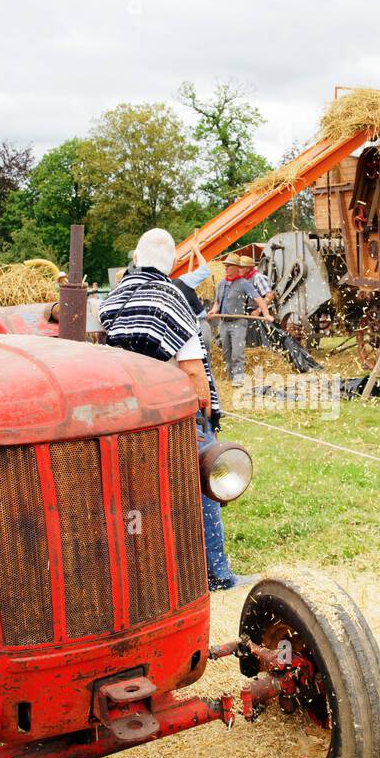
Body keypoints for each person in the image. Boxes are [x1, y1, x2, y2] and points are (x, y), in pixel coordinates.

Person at [98, 228, 250, 592]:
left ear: (136, 257)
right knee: (205, 484)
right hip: (169, 410)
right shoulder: (170, 296)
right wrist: (203, 418)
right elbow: (193, 367)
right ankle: (217, 574)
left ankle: (148, 570)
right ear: (170, 263)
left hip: (124, 411)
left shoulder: (113, 297)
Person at [209, 256, 269, 387]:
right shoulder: (221, 284)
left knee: (237, 353)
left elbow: (259, 299)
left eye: (229, 266)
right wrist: (214, 311)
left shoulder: (244, 284)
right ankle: (230, 377)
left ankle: (238, 378)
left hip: (238, 323)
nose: (226, 268)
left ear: (237, 268)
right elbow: (217, 302)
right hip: (223, 322)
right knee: (226, 352)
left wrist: (266, 314)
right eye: (225, 266)